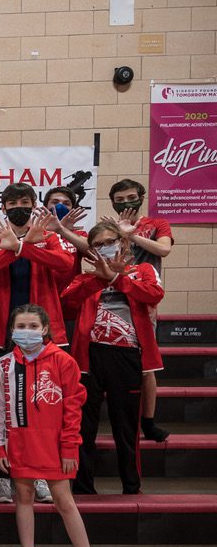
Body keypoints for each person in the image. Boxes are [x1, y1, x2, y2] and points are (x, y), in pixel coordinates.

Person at [0, 306, 108, 547]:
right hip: (19, 444)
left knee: (65, 502)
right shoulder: (2, 365)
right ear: (12, 330)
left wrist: (69, 446)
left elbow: (73, 408)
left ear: (44, 329)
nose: (26, 330)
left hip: (56, 447)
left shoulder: (63, 361)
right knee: (24, 497)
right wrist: (0, 446)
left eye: (32, 325)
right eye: (20, 325)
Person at [0, 183, 73, 504]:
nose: (19, 205)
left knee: (41, 406)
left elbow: (64, 265)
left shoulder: (47, 233)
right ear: (3, 207)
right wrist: (11, 247)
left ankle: (39, 474)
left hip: (41, 333)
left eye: (25, 201)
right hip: (0, 333)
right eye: (13, 201)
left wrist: (24, 247)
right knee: (1, 407)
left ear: (34, 205)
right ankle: (2, 477)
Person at [64, 222, 165, 496]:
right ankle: (84, 487)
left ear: (122, 242)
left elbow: (154, 294)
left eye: (109, 241)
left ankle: (131, 487)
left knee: (126, 427)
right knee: (85, 427)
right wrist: (100, 277)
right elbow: (68, 302)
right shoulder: (85, 277)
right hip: (89, 359)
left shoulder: (142, 270)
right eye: (97, 244)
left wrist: (117, 278)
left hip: (127, 356)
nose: (104, 247)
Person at [104, 178, 173, 443]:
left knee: (147, 366)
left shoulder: (156, 224)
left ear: (141, 196)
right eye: (119, 200)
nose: (125, 203)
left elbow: (164, 249)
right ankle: (120, 419)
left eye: (130, 197)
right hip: (111, 297)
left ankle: (149, 422)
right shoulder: (109, 226)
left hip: (144, 299)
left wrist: (130, 234)